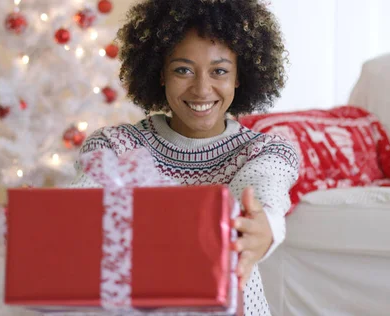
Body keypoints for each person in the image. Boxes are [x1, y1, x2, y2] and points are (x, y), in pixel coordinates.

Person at [69, 0, 299, 315]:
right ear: (160, 73)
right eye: (183, 70)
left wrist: (264, 227)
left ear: (239, 77)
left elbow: (264, 190)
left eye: (219, 71)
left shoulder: (267, 150)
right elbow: (86, 195)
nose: (202, 88)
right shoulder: (115, 145)